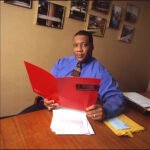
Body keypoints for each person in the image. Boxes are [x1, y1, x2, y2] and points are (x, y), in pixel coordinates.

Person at [43, 30, 126, 121]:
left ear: (92, 47)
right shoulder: (61, 63)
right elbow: (49, 88)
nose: (79, 49)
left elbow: (116, 97)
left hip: (81, 115)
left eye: (84, 45)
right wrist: (47, 101)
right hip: (55, 109)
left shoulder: (99, 71)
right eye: (75, 45)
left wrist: (106, 111)